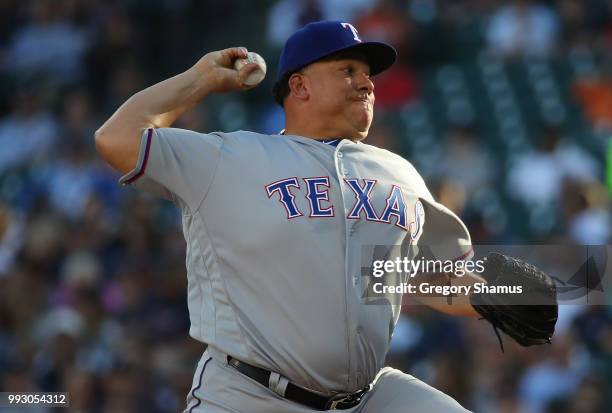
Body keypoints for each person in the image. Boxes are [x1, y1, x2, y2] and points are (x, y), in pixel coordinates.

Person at [95, 20, 553, 413]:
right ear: (300, 86)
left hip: (367, 398)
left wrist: (498, 292)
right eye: (348, 70)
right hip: (248, 394)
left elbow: (419, 278)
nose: (366, 82)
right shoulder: (228, 158)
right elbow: (116, 138)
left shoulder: (398, 172)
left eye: (367, 73)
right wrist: (201, 79)